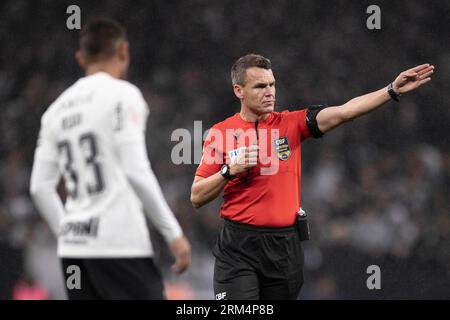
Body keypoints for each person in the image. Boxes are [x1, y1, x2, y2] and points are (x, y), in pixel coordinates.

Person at [190, 53, 434, 300]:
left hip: (284, 248)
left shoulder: (292, 124)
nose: (270, 92)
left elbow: (345, 112)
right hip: (238, 248)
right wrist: (228, 170)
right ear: (239, 91)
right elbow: (197, 196)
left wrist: (391, 90)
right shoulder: (220, 134)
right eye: (260, 86)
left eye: (272, 84)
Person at [29, 17, 191, 300]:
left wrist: (67, 234)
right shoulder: (123, 96)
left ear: (81, 58)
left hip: (75, 252)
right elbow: (136, 170)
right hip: (120, 244)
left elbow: (39, 188)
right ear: (123, 52)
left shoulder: (54, 112)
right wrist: (173, 233)